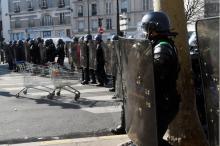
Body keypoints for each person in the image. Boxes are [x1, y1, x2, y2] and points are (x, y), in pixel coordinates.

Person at [141, 11, 180, 146]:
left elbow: (154, 77)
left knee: (152, 140)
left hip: (164, 103)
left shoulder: (162, 48)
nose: (145, 32)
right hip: (159, 101)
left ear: (154, 28)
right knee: (150, 139)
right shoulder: (157, 44)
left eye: (146, 28)